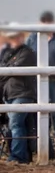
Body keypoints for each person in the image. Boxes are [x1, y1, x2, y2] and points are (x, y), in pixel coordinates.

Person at [27, 11, 55, 145]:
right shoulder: (33, 38)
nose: (46, 26)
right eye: (43, 22)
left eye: (48, 22)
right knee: (39, 115)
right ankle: (41, 146)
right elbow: (27, 57)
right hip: (37, 83)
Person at [0, 28, 37, 164]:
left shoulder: (27, 53)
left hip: (21, 93)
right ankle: (21, 156)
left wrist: (8, 69)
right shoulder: (10, 53)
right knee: (16, 125)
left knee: (15, 124)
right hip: (12, 93)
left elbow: (9, 70)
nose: (14, 40)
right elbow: (6, 70)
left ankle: (17, 157)